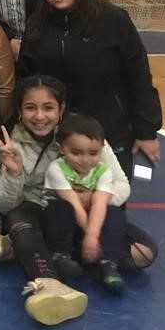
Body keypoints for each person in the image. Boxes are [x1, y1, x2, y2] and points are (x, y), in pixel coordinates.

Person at [19, 0, 162, 176]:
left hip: (111, 131)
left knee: (110, 203)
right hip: (58, 136)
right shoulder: (36, 24)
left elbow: (139, 76)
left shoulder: (114, 19)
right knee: (63, 204)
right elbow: (26, 76)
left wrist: (146, 132)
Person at [0, 77, 91, 325]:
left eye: (48, 107)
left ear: (61, 109)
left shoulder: (84, 134)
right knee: (18, 220)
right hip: (32, 214)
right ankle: (49, 285)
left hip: (75, 216)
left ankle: (24, 250)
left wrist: (89, 198)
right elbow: (4, 206)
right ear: (19, 110)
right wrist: (14, 173)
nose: (39, 116)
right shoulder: (10, 141)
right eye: (30, 107)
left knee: (141, 254)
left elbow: (119, 184)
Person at [43, 113, 136, 295]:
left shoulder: (103, 170)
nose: (85, 160)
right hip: (65, 222)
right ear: (61, 149)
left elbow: (100, 204)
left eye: (93, 153)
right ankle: (60, 255)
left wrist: (93, 237)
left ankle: (108, 264)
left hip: (91, 220)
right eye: (76, 153)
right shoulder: (56, 168)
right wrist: (91, 238)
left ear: (102, 149)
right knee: (61, 209)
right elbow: (75, 204)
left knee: (114, 212)